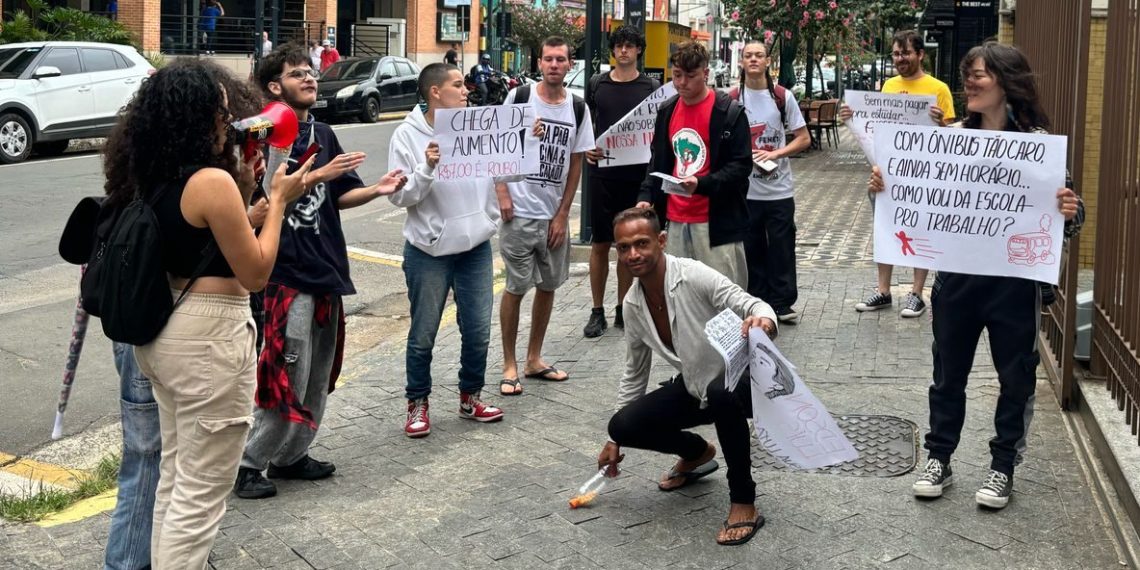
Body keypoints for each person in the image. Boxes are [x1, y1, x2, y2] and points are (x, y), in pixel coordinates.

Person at [104, 58, 310, 569]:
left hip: (167, 332)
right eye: (223, 111)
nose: (231, 120)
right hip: (209, 336)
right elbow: (256, 271)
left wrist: (247, 195)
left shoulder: (153, 175)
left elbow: (202, 240)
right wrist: (280, 200)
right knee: (199, 498)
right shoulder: (210, 181)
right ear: (201, 118)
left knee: (176, 481)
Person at [865, 42, 1084, 510]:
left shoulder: (1038, 145)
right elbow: (909, 207)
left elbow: (1068, 216)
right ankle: (939, 458)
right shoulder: (949, 139)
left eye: (979, 75)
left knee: (1016, 378)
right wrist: (882, 191)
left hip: (1015, 285)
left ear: (1006, 80)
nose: (969, 83)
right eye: (967, 75)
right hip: (958, 282)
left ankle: (1003, 467)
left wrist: (1071, 209)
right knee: (948, 376)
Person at [234, 45, 407, 499]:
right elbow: (258, 206)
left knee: (318, 373)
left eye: (311, 73)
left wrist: (376, 190)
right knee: (284, 372)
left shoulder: (325, 133)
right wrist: (313, 176)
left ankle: (291, 456)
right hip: (285, 275)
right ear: (275, 87)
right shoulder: (264, 139)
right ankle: (250, 463)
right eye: (297, 74)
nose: (309, 79)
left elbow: (340, 195)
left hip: (325, 268)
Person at [597, 207, 777, 546]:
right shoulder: (633, 304)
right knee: (621, 424)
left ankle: (743, 500)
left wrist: (763, 322)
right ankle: (696, 453)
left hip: (745, 383)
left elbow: (751, 303)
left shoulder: (693, 275)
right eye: (624, 247)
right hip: (697, 387)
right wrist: (614, 441)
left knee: (721, 392)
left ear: (661, 241)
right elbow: (635, 370)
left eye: (641, 243)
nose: (633, 254)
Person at [388, 63, 528, 436]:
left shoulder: (476, 125)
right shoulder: (406, 135)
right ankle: (417, 403)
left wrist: (526, 141)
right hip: (428, 252)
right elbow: (401, 196)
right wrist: (427, 168)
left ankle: (470, 397)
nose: (465, 90)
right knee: (423, 334)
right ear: (435, 92)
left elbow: (507, 170)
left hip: (476, 246)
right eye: (456, 85)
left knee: (479, 330)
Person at [496, 36, 594, 396]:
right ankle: (509, 364)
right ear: (540, 62)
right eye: (549, 59)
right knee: (516, 287)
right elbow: (496, 145)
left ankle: (534, 358)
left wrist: (563, 214)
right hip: (519, 214)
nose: (554, 65)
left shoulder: (578, 108)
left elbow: (576, 161)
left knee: (548, 286)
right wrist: (503, 191)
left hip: (553, 215)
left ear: (571, 64)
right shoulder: (520, 98)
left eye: (561, 59)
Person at [842, 30, 955, 318]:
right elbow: (877, 126)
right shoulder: (889, 86)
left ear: (920, 54)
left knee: (921, 230)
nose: (900, 59)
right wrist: (852, 117)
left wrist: (940, 124)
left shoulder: (939, 89)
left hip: (924, 175)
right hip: (887, 174)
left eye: (906, 53)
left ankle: (917, 293)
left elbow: (952, 139)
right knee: (885, 228)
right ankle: (884, 290)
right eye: (896, 53)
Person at [636, 40, 751, 287]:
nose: (682, 83)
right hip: (675, 219)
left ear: (706, 74)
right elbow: (657, 159)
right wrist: (646, 195)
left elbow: (742, 166)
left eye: (690, 76)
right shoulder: (667, 110)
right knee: (680, 296)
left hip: (716, 222)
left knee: (723, 296)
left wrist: (702, 183)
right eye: (677, 75)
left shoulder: (729, 112)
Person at [582, 25, 660, 339]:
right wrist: (587, 146)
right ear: (613, 51)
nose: (624, 51)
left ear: (639, 50)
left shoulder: (650, 87)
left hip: (636, 176)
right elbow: (586, 124)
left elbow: (657, 131)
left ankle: (623, 307)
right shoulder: (597, 83)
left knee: (628, 247)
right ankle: (596, 310)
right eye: (618, 46)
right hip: (603, 175)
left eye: (629, 46)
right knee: (601, 244)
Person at [733, 40, 811, 323]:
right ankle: (757, 302)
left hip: (779, 189)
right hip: (746, 190)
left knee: (782, 246)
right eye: (748, 56)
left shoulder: (782, 97)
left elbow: (804, 138)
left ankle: (782, 302)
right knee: (750, 248)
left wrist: (776, 153)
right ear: (741, 62)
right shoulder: (731, 99)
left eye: (759, 55)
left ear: (768, 61)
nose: (753, 60)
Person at [103, 344, 159, 570]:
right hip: (150, 342)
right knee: (146, 464)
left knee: (148, 462)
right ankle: (128, 562)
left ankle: (143, 554)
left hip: (135, 337)